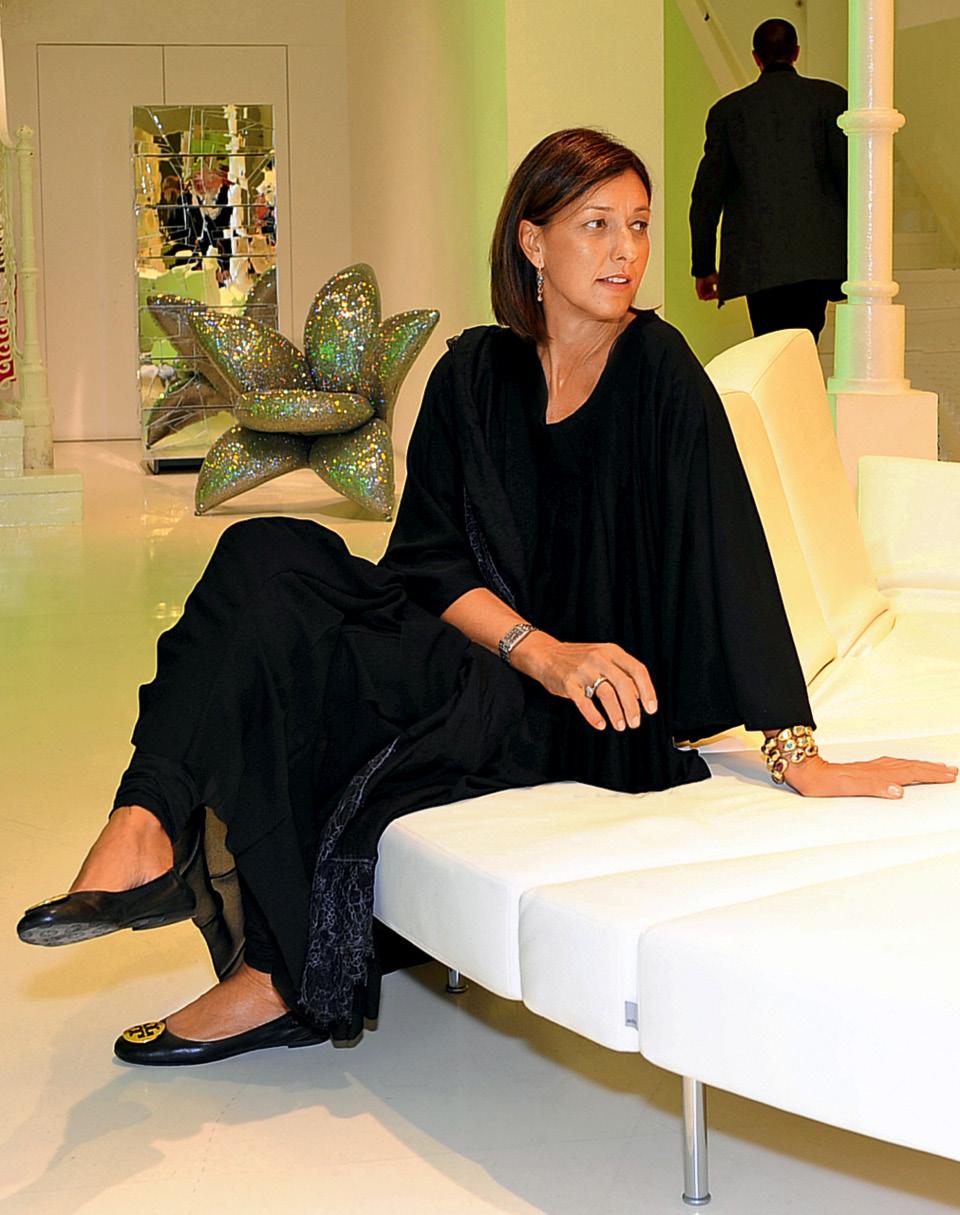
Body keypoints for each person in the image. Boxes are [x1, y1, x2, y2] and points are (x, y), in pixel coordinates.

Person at [18, 128, 956, 1068]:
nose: (626, 250)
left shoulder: (659, 369)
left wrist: (795, 751)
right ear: (532, 242)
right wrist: (536, 648)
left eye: (637, 225)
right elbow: (426, 562)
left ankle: (269, 968)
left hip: (580, 710)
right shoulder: (473, 374)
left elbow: (731, 549)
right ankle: (145, 823)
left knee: (301, 659)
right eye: (596, 224)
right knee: (262, 554)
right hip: (490, 656)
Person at [690, 18, 848, 342]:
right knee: (806, 339)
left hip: (757, 262)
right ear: (796, 53)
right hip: (817, 256)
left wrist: (703, 266)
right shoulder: (832, 100)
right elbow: (850, 181)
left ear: (756, 57)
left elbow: (707, 196)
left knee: (770, 344)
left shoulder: (729, 112)